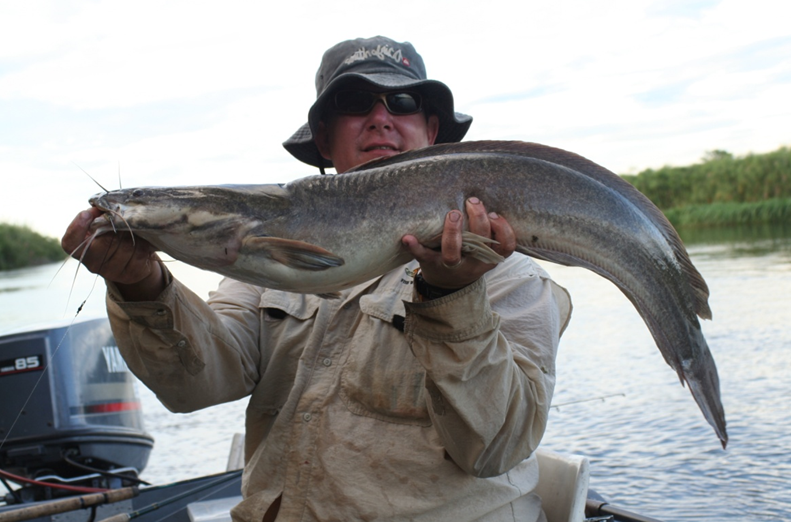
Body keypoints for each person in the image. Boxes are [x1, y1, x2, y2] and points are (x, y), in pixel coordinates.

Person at [62, 36, 571, 522]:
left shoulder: (510, 275)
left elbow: (496, 447)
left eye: (403, 101)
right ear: (324, 139)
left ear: (432, 130)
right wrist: (142, 287)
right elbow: (197, 384)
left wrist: (453, 296)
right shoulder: (266, 262)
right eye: (354, 101)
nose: (380, 119)